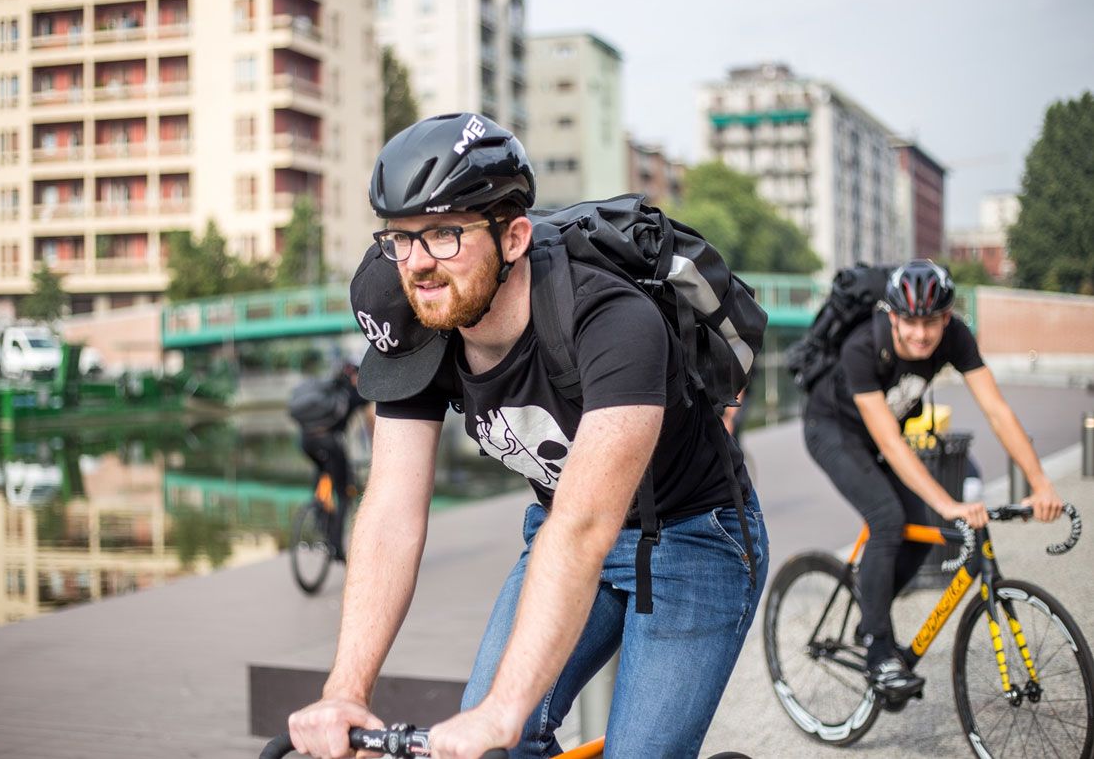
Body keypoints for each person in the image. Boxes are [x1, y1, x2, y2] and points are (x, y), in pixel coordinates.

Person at [286, 113, 768, 759]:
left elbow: (585, 525)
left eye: (445, 234)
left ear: (513, 237)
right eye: (399, 238)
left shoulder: (610, 320)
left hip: (691, 539)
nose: (418, 264)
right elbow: (393, 506)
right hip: (557, 533)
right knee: (492, 749)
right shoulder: (415, 311)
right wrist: (345, 688)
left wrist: (504, 712)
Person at [801, 259, 1064, 704]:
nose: (921, 335)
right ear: (891, 314)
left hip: (882, 435)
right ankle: (879, 648)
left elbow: (997, 411)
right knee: (887, 517)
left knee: (923, 531)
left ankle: (871, 610)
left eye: (932, 323)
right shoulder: (863, 346)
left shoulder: (956, 337)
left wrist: (1041, 484)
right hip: (834, 431)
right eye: (910, 322)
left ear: (947, 317)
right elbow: (889, 438)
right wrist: (947, 501)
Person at [295, 361, 370, 561]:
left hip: (305, 441)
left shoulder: (328, 390)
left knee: (323, 470)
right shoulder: (353, 395)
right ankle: (336, 545)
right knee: (344, 493)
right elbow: (370, 412)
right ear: (354, 377)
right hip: (330, 443)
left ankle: (319, 511)